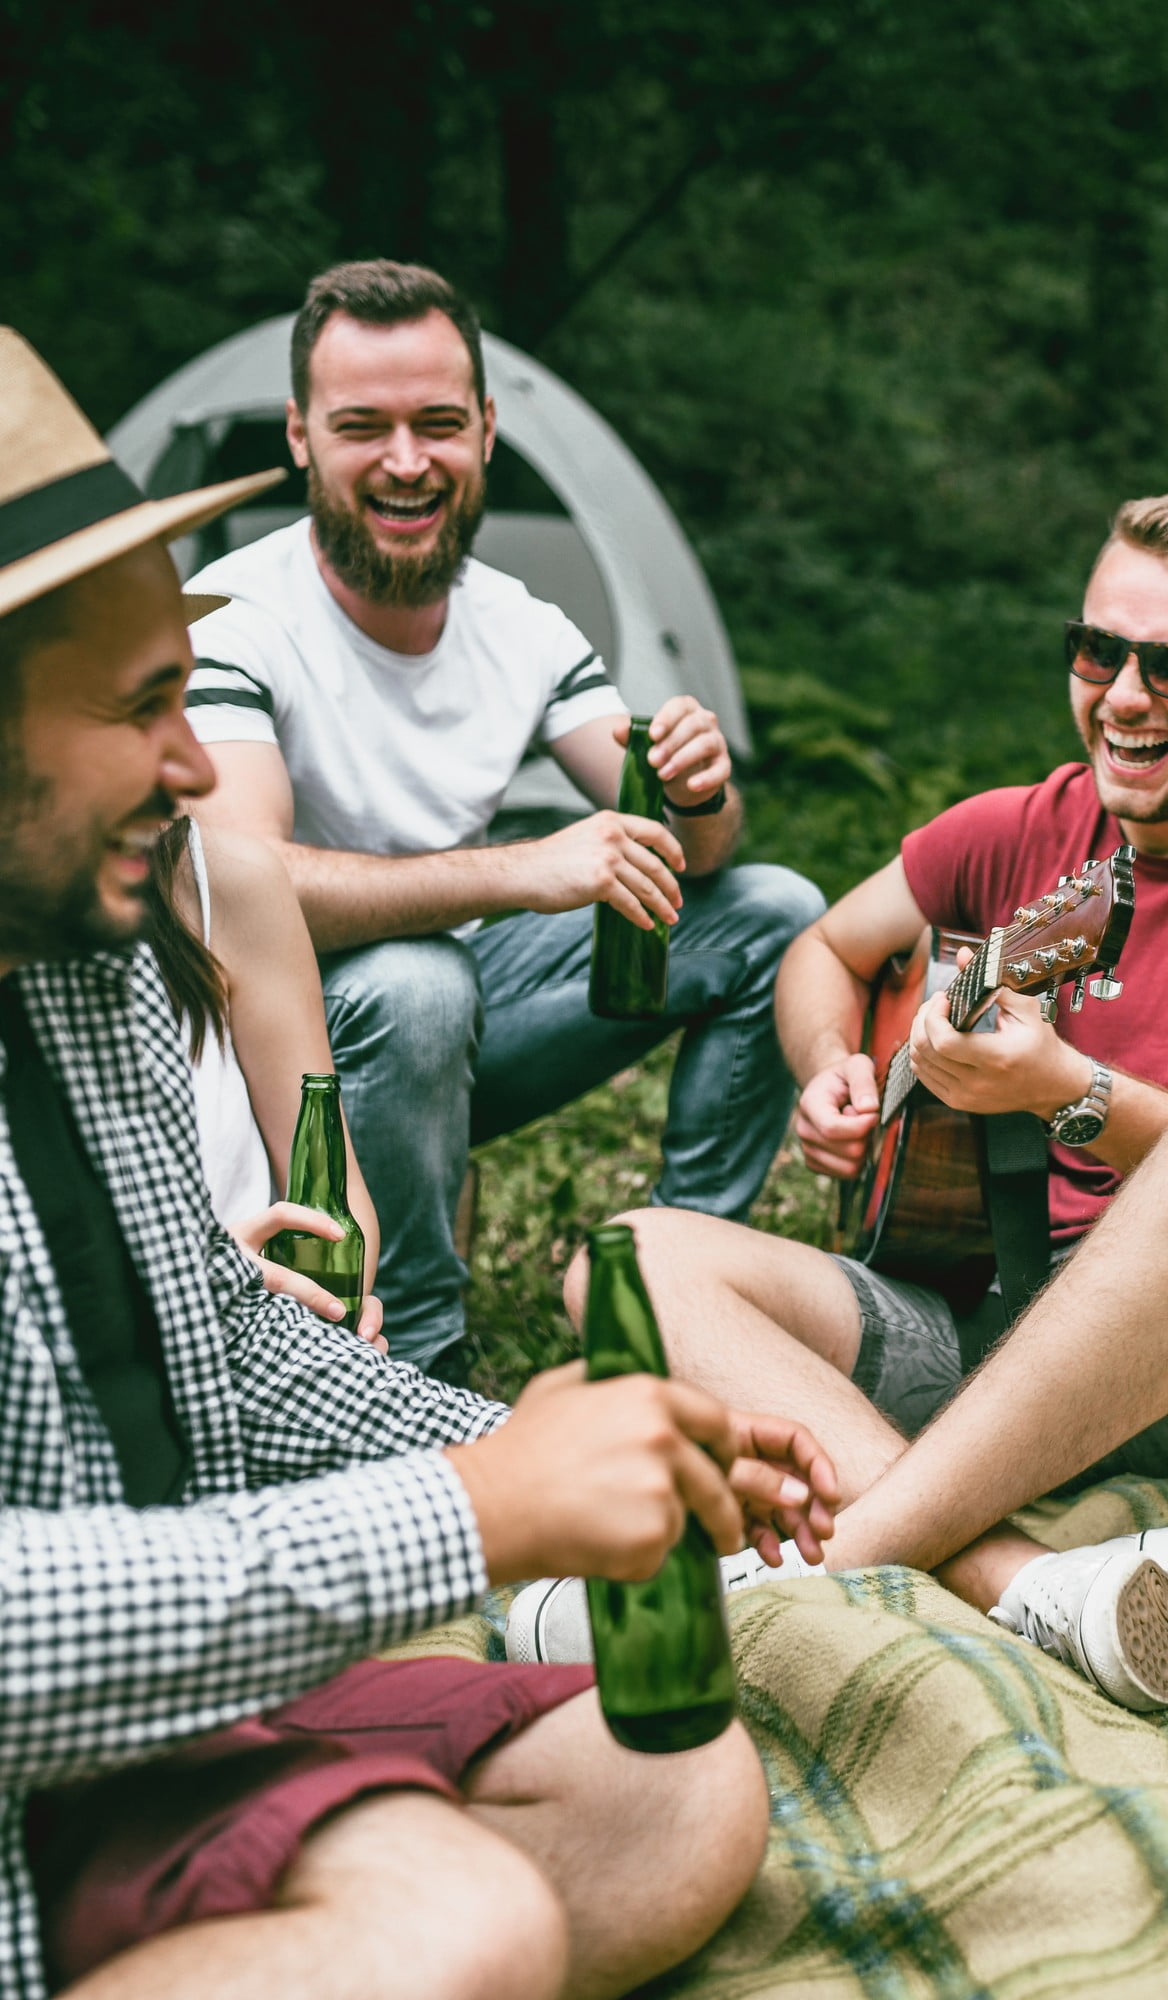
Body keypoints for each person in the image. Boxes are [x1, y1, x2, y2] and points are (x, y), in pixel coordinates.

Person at [0, 326, 838, 2000]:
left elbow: (229, 1344)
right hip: (44, 1753)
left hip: (170, 1709)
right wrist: (466, 1513)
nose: (190, 774)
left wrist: (560, 1440)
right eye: (147, 707)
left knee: (672, 1788)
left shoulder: (77, 962)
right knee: (467, 1924)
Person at [555, 492, 1168, 1715]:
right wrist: (831, 1067)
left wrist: (1063, 1094)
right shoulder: (1025, 828)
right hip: (991, 1311)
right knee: (626, 1258)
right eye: (1097, 650)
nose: (1123, 695)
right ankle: (1025, 1581)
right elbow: (825, 945)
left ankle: (821, 1569)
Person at [182, 257, 825, 1374]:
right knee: (416, 981)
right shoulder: (235, 616)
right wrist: (522, 870)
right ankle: (418, 1356)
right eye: (361, 426)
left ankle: (672, 1275)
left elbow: (698, 853)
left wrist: (696, 787)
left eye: (437, 422)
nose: (404, 459)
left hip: (460, 1021)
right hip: (279, 1060)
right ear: (298, 437)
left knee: (772, 911)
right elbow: (245, 889)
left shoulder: (520, 625)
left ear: (485, 431)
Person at [146, 810, 386, 1345]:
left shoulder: (222, 878)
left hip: (269, 1334)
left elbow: (340, 1206)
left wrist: (327, 1309)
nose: (196, 760)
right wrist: (212, 1282)